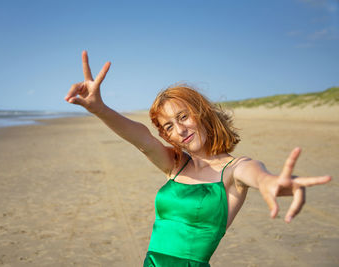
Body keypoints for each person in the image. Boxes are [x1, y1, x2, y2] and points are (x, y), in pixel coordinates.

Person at [65, 51, 332, 267]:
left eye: (183, 117)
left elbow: (257, 174)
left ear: (202, 113)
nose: (179, 130)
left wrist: (273, 183)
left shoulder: (233, 169)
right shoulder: (175, 165)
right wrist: (100, 109)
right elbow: (142, 139)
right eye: (168, 126)